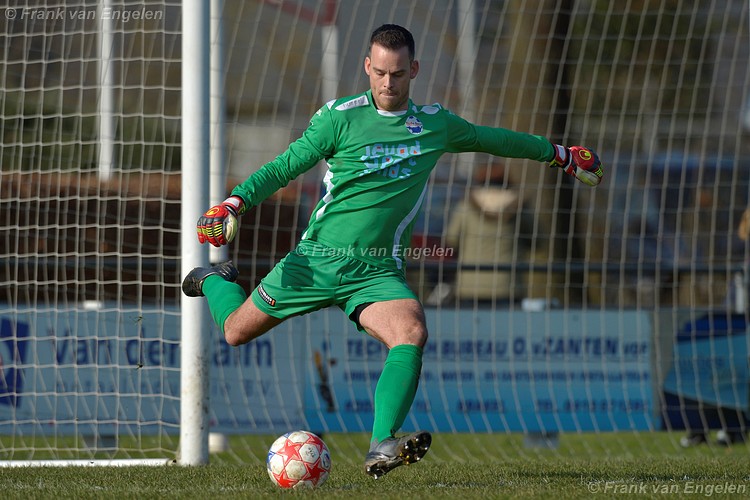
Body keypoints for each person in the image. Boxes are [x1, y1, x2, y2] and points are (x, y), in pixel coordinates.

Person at [182, 24, 603, 478]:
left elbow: (493, 139)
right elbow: (284, 167)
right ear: (367, 66)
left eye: (398, 74)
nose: (388, 83)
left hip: (377, 271)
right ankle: (214, 280)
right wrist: (235, 202)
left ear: (413, 70)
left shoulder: (434, 125)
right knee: (235, 332)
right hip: (317, 260)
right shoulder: (339, 118)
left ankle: (382, 443)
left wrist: (558, 154)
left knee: (411, 330)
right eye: (380, 72)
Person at [444, 162, 529, 307]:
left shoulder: (466, 206)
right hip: (508, 284)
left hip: (470, 284)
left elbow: (451, 240)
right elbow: (534, 240)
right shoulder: (519, 207)